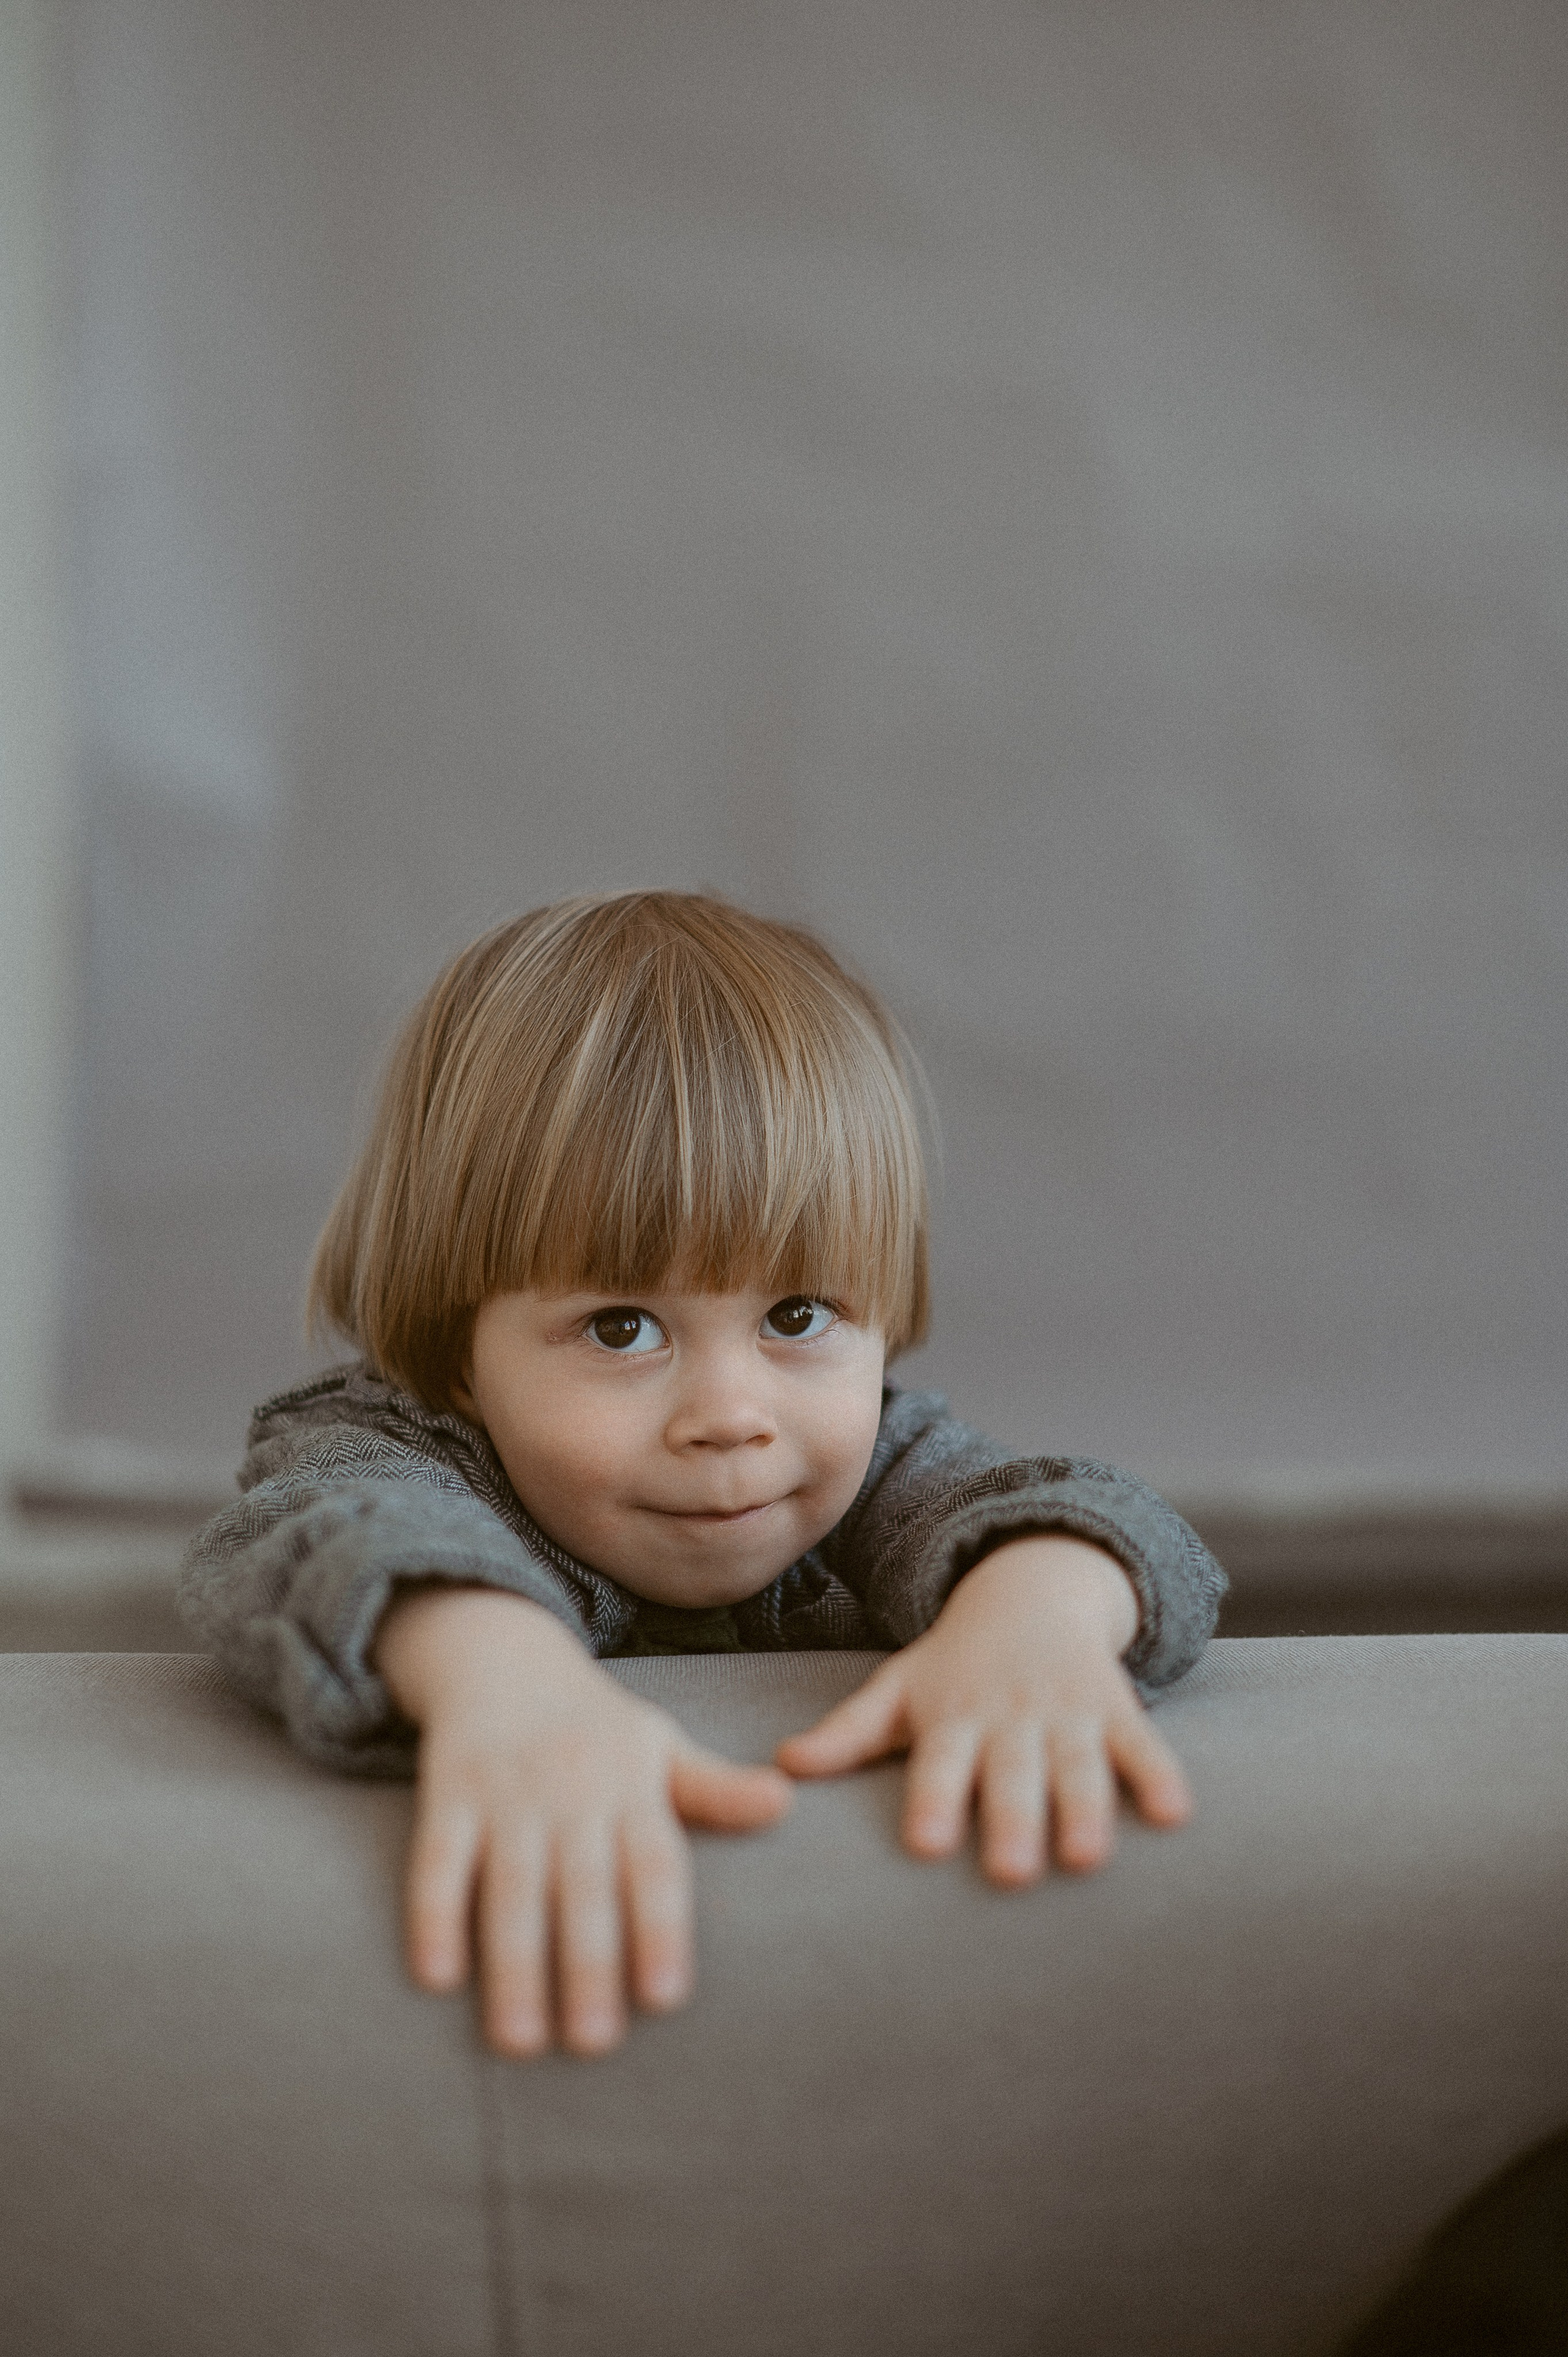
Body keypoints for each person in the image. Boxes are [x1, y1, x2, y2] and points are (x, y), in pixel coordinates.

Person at [181, 889, 1226, 2059]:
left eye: (797, 1314)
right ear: (458, 1348)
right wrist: (497, 1675)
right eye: (623, 1329)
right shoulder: (396, 1448)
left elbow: (1093, 1512)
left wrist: (1039, 1613)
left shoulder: (878, 1458)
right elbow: (308, 1534)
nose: (732, 1419)